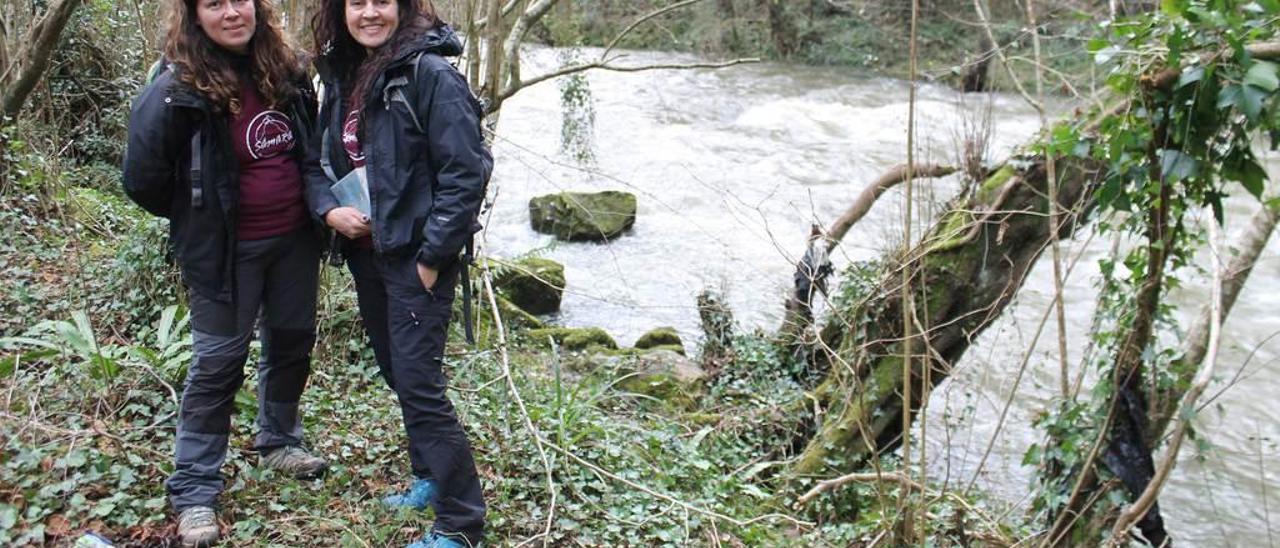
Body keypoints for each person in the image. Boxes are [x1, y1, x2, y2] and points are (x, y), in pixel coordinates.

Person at [121, 0, 323, 545]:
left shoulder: (286, 69)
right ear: (194, 15)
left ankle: (279, 440)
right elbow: (141, 178)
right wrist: (202, 213)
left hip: (294, 241)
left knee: (292, 340)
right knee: (217, 362)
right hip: (223, 252)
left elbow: (310, 147)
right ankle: (194, 490)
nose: (231, 12)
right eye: (214, 3)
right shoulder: (174, 88)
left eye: (241, 0)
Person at [307, 0, 490, 546]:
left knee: (420, 385)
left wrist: (433, 257)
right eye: (356, 3)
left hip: (416, 259)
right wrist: (327, 209)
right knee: (397, 372)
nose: (368, 13)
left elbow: (465, 175)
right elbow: (318, 162)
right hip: (368, 252)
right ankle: (430, 477)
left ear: (404, 7)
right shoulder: (344, 73)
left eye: (380, 1)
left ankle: (461, 525)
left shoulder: (431, 75)